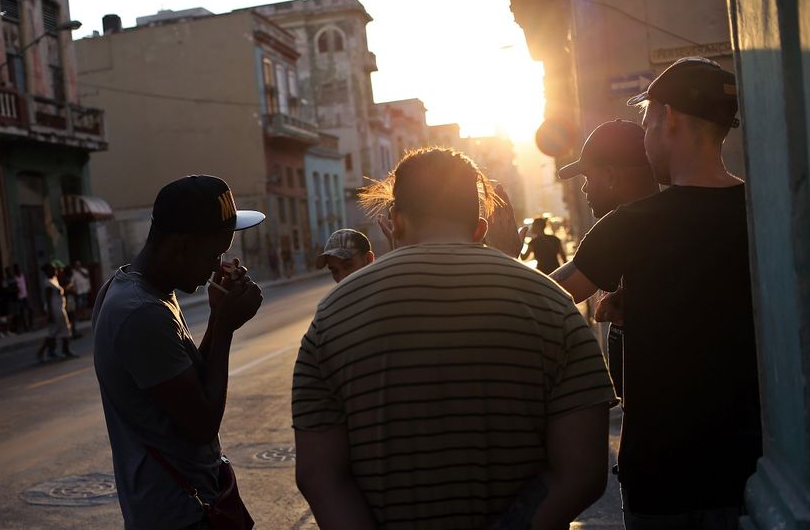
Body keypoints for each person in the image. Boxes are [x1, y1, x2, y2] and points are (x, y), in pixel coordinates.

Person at [292, 148, 617, 529]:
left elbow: (318, 475)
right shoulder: (552, 306)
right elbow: (583, 472)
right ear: (480, 227)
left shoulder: (333, 312)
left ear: (396, 221)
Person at [550, 57, 761, 527]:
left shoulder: (633, 224)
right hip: (757, 470)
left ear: (666, 118)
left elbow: (547, 299)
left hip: (666, 479)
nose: (644, 140)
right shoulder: (759, 211)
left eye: (646, 123)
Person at [92, 175, 265, 529]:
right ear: (181, 245)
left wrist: (219, 316)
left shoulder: (148, 291)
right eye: (214, 253)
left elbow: (191, 382)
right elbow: (201, 422)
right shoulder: (139, 311)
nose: (219, 265)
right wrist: (226, 327)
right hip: (176, 515)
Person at [556, 119, 659, 396]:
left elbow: (547, 296)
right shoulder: (672, 216)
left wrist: (506, 253)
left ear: (611, 176)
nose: (584, 189)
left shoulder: (623, 225)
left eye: (588, 177)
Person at [35, 263, 76, 361]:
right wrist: (50, 314)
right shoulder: (48, 283)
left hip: (60, 308)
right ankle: (41, 352)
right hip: (54, 309)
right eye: (52, 270)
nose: (55, 272)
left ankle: (66, 350)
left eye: (55, 270)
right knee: (53, 332)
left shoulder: (54, 280)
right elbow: (48, 300)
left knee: (65, 329)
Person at [13, 263, 33, 332]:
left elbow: (27, 284)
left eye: (18, 268)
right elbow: (14, 288)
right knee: (22, 313)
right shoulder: (15, 278)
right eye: (16, 269)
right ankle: (25, 327)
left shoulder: (23, 276)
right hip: (19, 297)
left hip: (25, 296)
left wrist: (28, 292)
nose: (17, 270)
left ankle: (31, 325)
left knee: (30, 310)